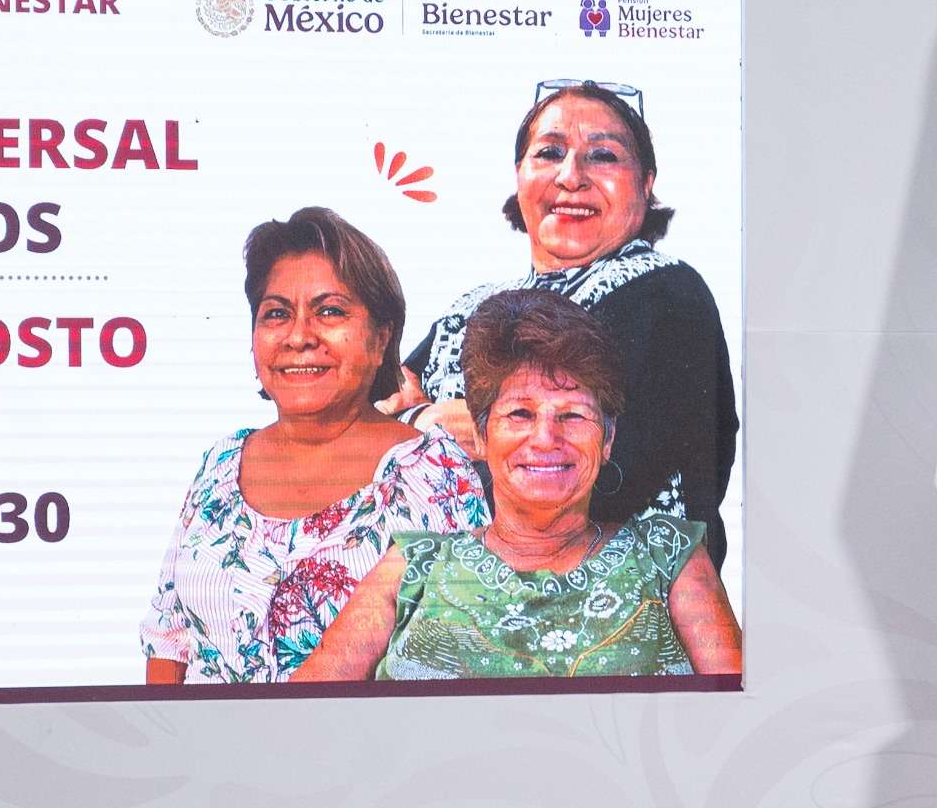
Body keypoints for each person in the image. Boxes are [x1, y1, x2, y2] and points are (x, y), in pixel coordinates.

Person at [304, 290, 742, 682]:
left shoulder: (668, 559)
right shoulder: (412, 568)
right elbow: (298, 719)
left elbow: (739, 718)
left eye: (572, 415)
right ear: (480, 436)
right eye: (520, 414)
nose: (546, 439)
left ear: (607, 440)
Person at [386, 80, 740, 563]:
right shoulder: (469, 308)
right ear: (519, 175)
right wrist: (426, 420)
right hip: (456, 595)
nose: (571, 177)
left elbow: (599, 486)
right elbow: (369, 424)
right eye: (549, 153)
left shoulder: (666, 294)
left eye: (604, 156)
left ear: (646, 184)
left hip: (614, 601)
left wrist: (439, 432)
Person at [141, 208, 489, 684]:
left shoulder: (434, 473)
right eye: (277, 314)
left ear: (381, 338)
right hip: (201, 734)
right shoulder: (221, 463)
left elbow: (465, 656)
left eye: (330, 311)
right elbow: (169, 637)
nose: (300, 336)